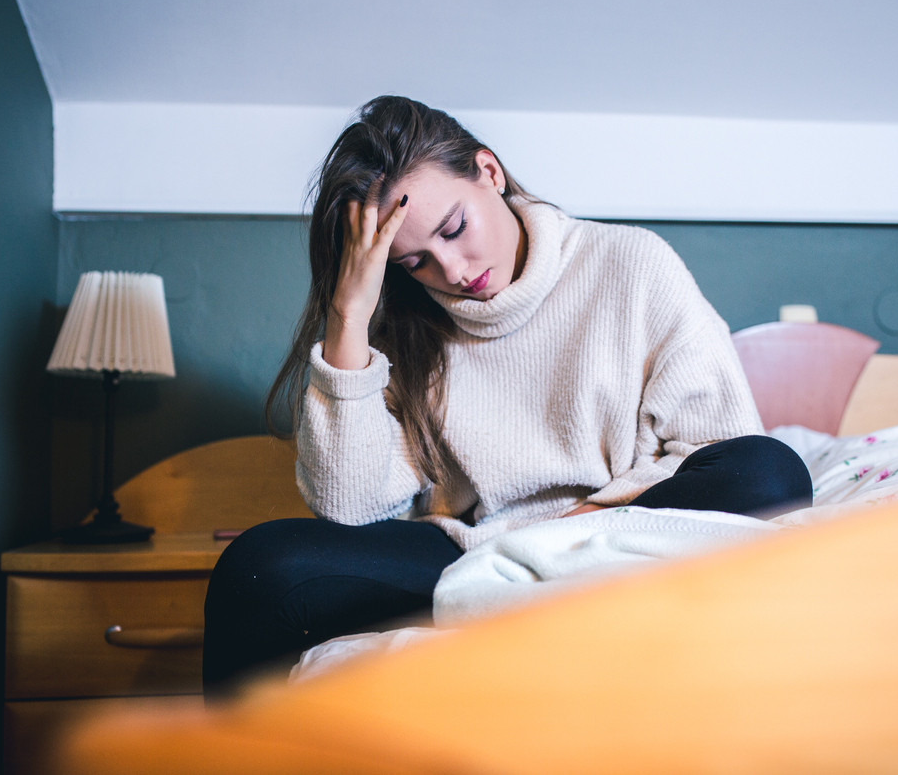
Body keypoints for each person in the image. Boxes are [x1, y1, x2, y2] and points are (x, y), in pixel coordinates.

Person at [203, 96, 813, 698]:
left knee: (769, 468)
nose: (451, 270)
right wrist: (349, 318)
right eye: (414, 261)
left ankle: (531, 582)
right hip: (471, 555)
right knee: (258, 568)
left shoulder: (631, 265)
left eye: (454, 228)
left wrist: (574, 526)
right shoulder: (405, 328)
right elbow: (348, 505)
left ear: (489, 172)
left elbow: (722, 449)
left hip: (615, 538)